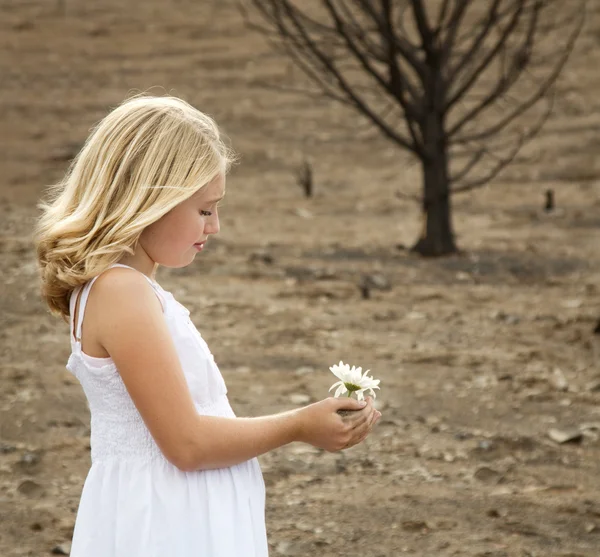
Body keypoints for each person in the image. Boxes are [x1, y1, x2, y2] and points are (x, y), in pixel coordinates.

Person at [33, 94, 381, 557]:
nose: (215, 226)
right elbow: (188, 444)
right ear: (148, 200)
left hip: (178, 514)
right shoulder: (122, 292)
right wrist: (299, 425)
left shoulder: (130, 289)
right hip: (167, 524)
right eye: (203, 209)